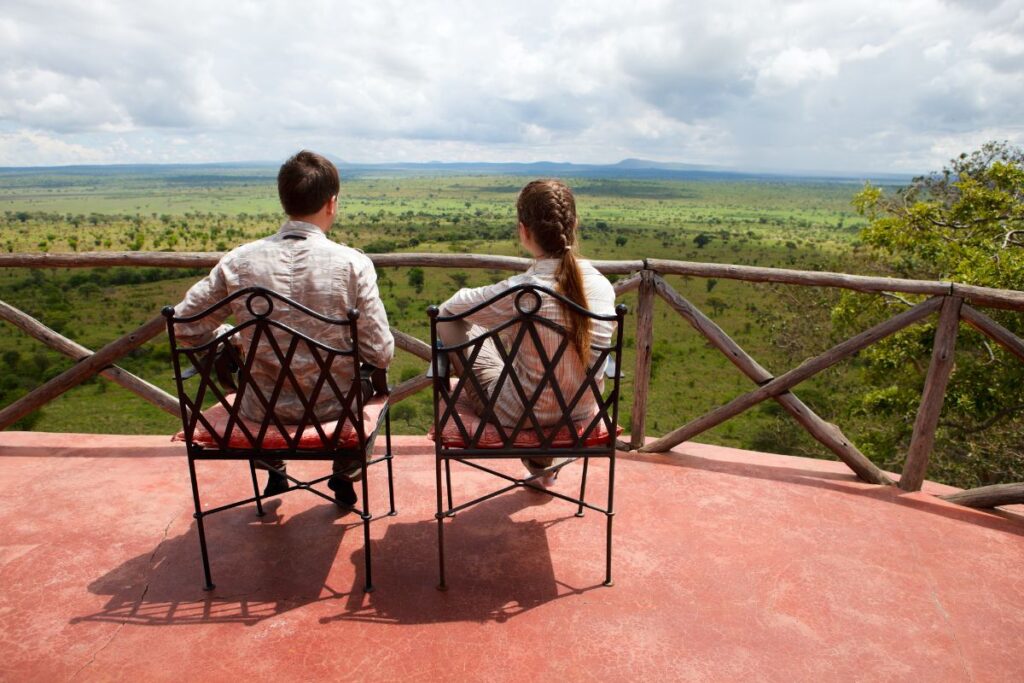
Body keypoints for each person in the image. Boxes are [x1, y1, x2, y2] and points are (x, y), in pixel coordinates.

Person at [172, 150, 394, 507]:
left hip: (258, 413)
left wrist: (227, 336)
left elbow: (183, 325)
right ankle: (343, 471)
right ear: (332, 203)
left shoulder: (238, 261)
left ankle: (274, 465)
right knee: (374, 381)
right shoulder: (353, 264)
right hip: (334, 412)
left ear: (284, 201)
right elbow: (380, 352)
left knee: (245, 373)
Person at [436, 179, 616, 486]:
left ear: (524, 231)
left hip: (517, 412)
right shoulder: (601, 284)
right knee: (537, 361)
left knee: (453, 320)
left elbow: (449, 309)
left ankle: (539, 460)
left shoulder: (524, 291)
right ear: (575, 226)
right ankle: (541, 464)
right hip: (581, 411)